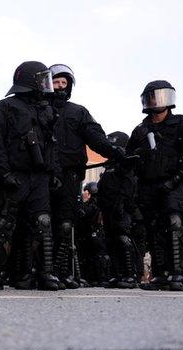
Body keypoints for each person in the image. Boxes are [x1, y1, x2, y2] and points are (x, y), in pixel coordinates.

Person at [0, 61, 62, 291]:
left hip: (39, 178)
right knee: (4, 225)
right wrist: (3, 174)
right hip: (13, 176)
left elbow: (51, 145)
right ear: (30, 80)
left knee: (43, 224)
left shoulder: (46, 109)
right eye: (43, 78)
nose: (47, 84)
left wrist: (54, 172)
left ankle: (45, 274)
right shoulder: (4, 108)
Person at [49, 64, 125, 288]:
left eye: (64, 83)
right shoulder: (38, 108)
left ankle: (60, 272)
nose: (60, 87)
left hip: (70, 174)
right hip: (42, 173)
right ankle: (38, 271)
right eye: (56, 82)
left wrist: (115, 152)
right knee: (41, 223)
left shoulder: (78, 112)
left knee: (64, 224)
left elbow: (95, 136)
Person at [126, 80, 183, 291]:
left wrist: (176, 179)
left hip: (174, 184)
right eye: (152, 96)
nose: (156, 100)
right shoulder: (140, 130)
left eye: (160, 95)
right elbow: (129, 159)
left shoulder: (182, 123)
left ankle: (178, 273)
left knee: (175, 225)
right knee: (154, 229)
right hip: (147, 186)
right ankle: (161, 274)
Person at [97, 131, 143, 288]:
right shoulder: (110, 165)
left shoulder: (125, 164)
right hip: (108, 209)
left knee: (123, 240)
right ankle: (118, 275)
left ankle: (130, 275)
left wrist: (122, 204)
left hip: (121, 209)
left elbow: (128, 186)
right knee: (111, 242)